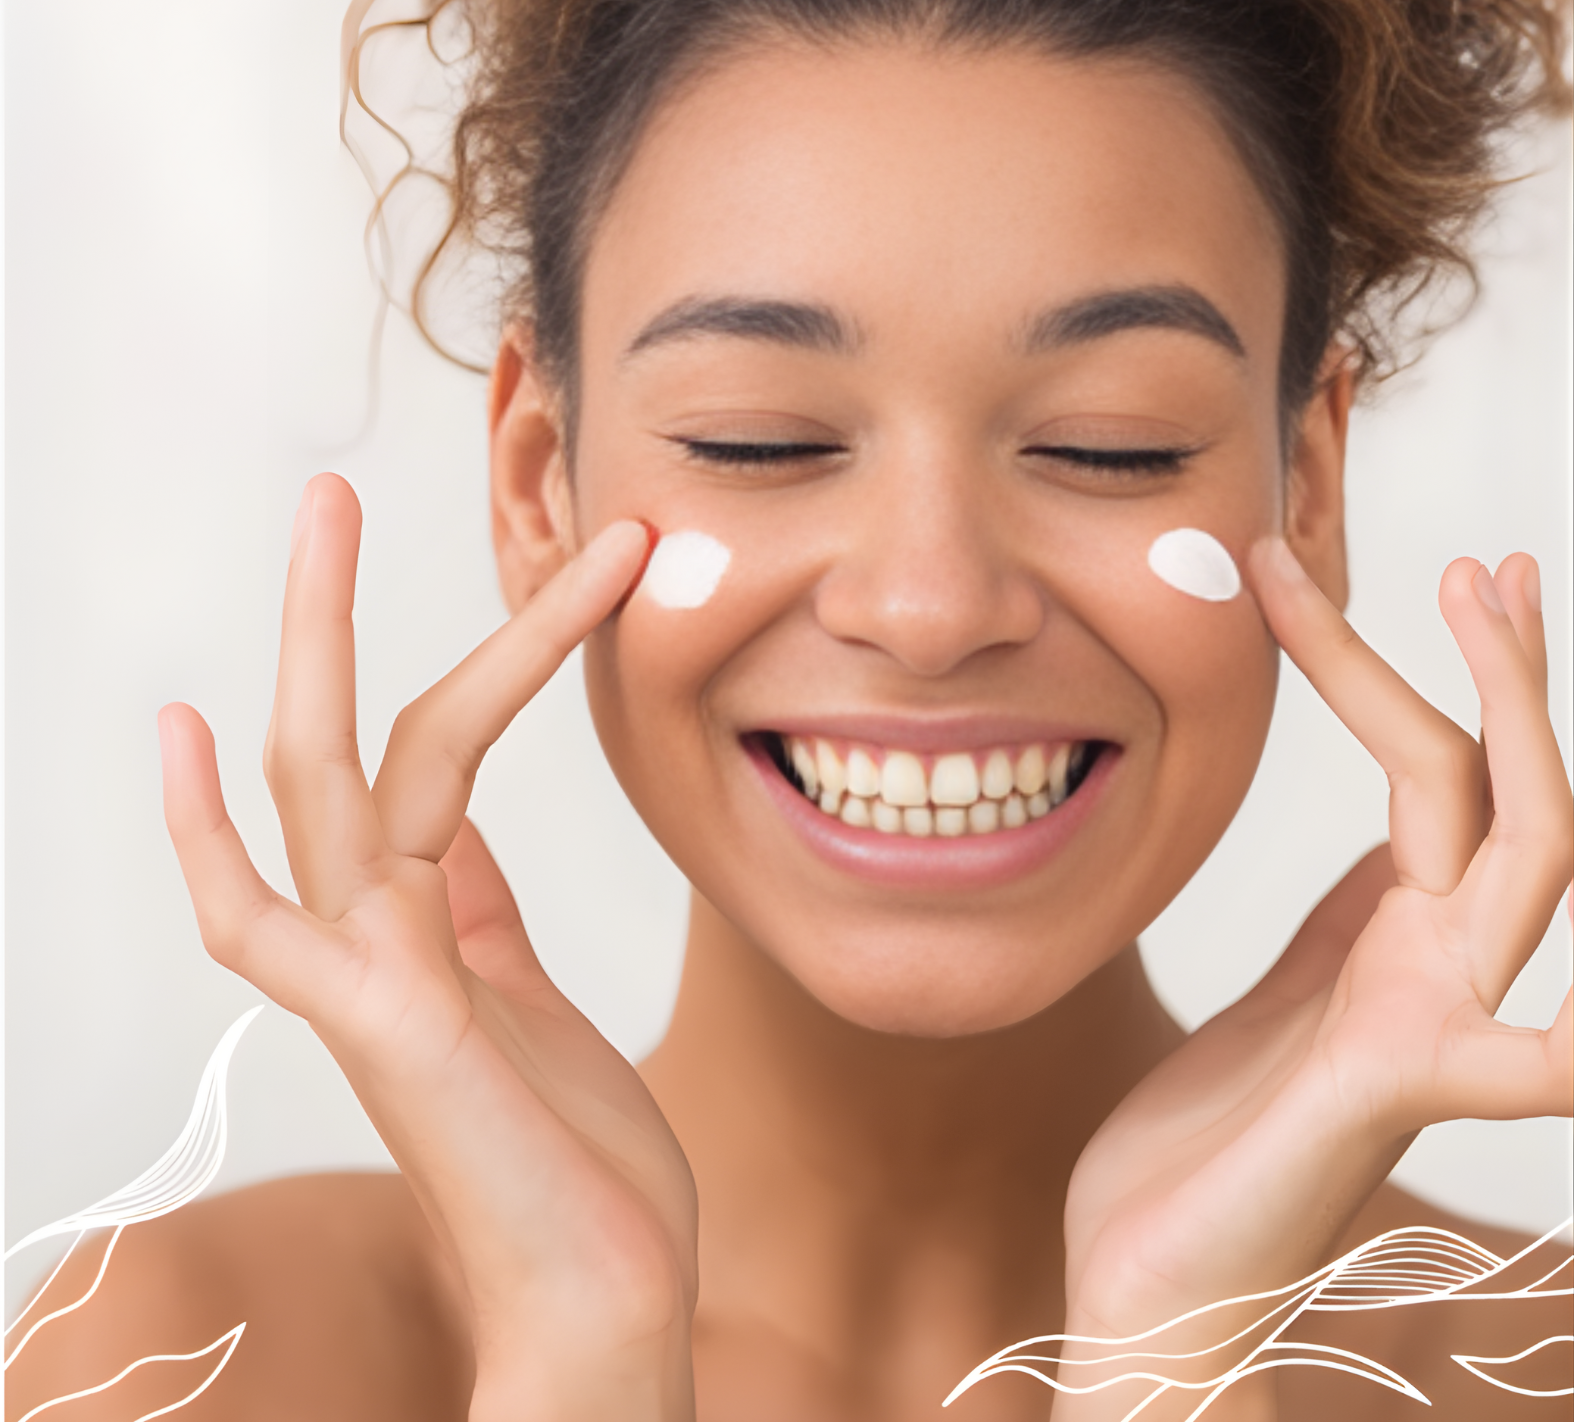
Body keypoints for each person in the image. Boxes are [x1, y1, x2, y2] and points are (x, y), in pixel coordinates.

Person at [7, 0, 1571, 1416]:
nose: (929, 604)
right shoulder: (182, 1354)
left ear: (1305, 486)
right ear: (536, 484)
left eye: (1110, 445)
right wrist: (581, 1347)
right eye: (758, 441)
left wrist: (1175, 1351)